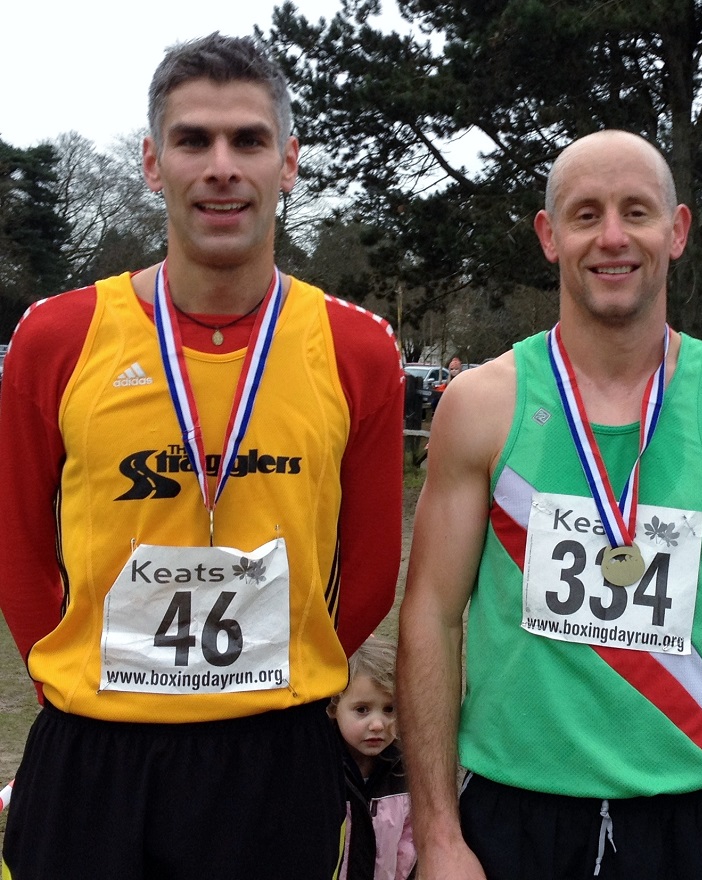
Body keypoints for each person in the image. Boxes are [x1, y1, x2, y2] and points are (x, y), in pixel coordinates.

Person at [0, 33, 405, 879]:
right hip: (92, 756)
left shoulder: (355, 348)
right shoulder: (56, 337)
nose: (222, 166)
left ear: (288, 164)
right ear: (154, 163)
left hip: (273, 756)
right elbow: (18, 550)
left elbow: (367, 571)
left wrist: (274, 681)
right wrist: (79, 683)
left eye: (249, 141)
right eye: (193, 140)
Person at [397, 129, 702, 880]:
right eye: (586, 215)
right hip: (511, 814)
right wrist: (438, 834)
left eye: (637, 211)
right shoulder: (483, 403)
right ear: (549, 236)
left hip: (688, 817)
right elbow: (430, 614)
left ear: (677, 230)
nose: (613, 237)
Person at [331, 635, 416, 880]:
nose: (378, 724)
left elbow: (409, 842)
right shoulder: (321, 770)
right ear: (333, 707)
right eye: (362, 710)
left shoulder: (406, 772)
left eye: (390, 709)